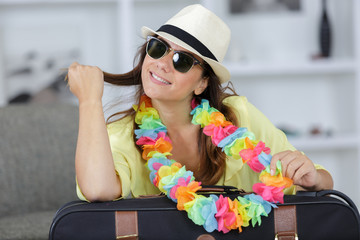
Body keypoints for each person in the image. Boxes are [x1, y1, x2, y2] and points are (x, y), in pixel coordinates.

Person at [67, 4, 333, 203]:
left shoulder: (240, 117)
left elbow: (323, 181)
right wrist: (90, 101)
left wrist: (312, 178)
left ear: (202, 83)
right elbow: (98, 190)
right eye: (158, 47)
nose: (161, 63)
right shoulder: (125, 134)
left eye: (182, 61)